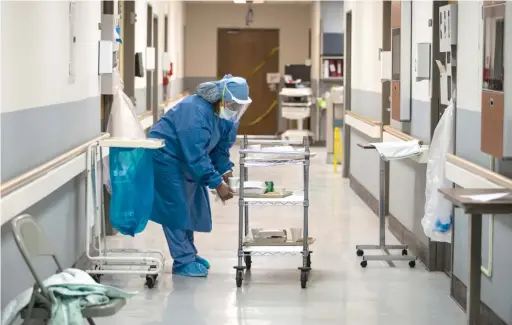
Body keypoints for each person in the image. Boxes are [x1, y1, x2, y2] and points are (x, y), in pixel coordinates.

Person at [148, 75, 251, 278]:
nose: (234, 109)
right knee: (176, 209)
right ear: (219, 99)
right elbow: (196, 154)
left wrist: (225, 171)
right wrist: (217, 183)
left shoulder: (228, 118)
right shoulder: (194, 112)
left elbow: (220, 150)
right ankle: (183, 260)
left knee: (189, 206)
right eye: (231, 104)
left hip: (187, 160)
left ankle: (190, 254)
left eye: (239, 106)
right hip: (166, 158)